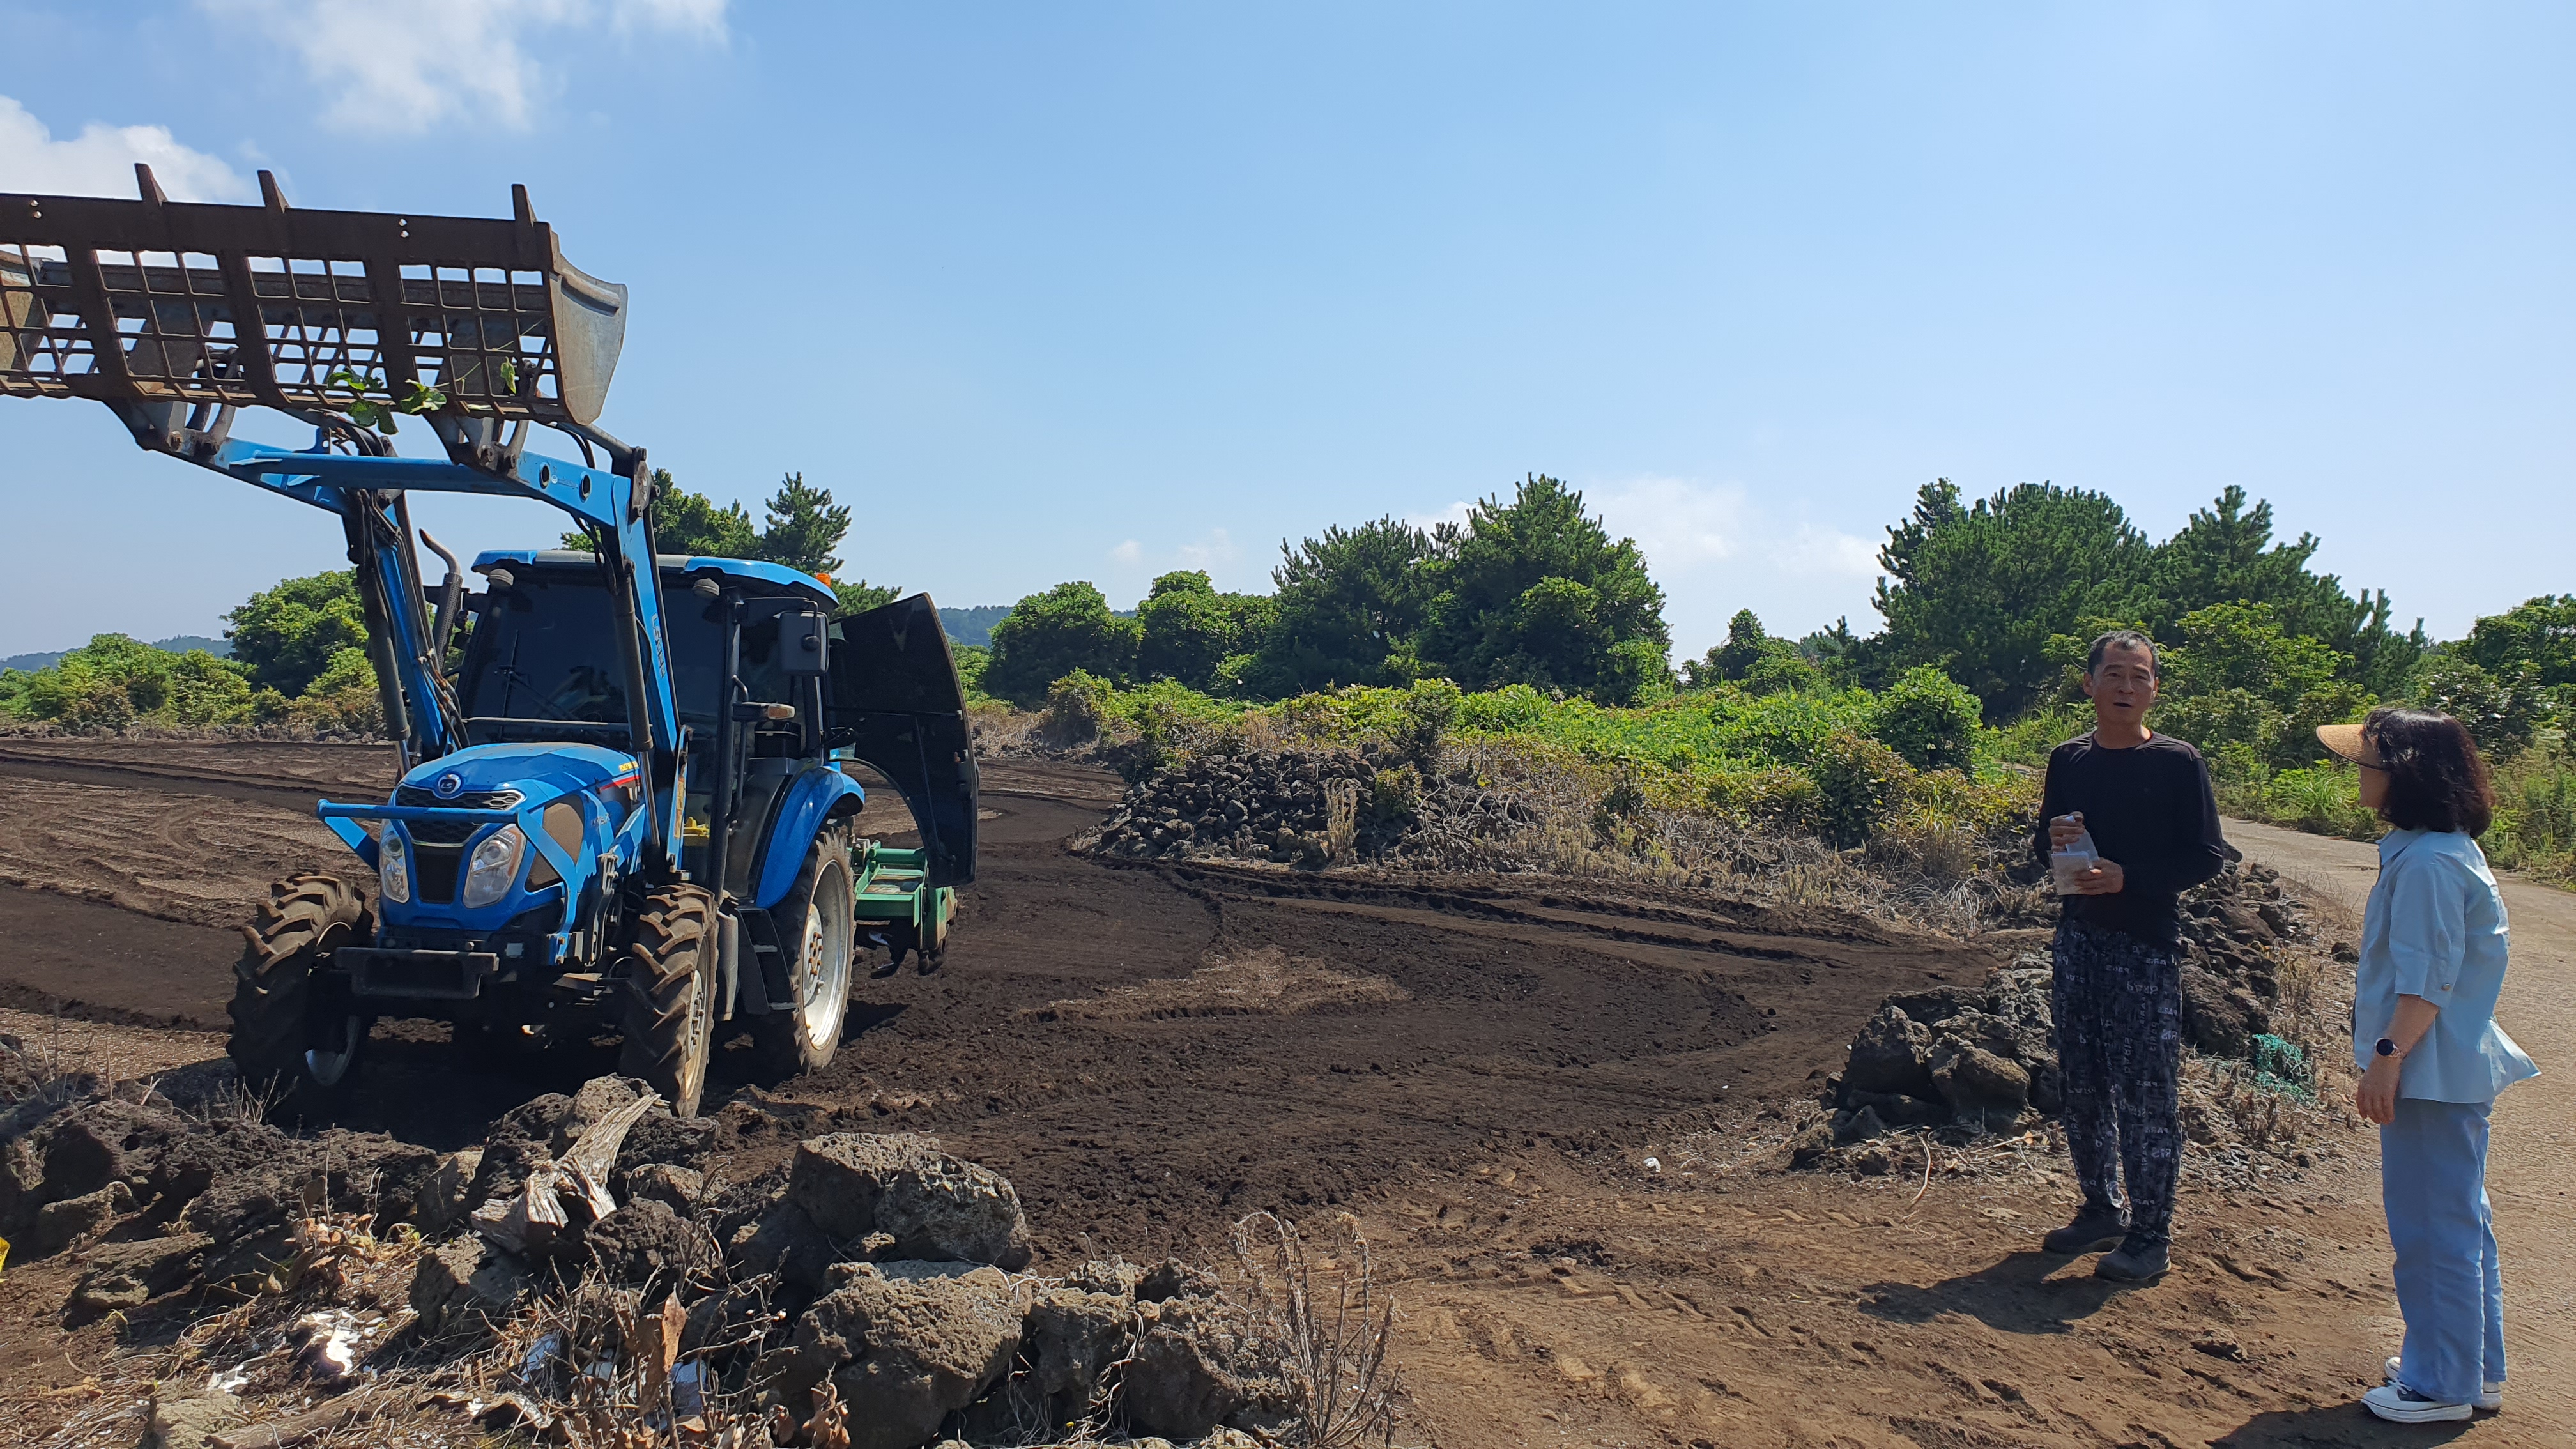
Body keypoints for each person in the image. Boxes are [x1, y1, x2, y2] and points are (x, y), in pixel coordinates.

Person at [2318, 709, 2538, 1424]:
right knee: (2458, 1222)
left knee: (2430, 1229)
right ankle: (2471, 1369)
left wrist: (2385, 1061)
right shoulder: (2433, 848)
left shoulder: (2430, 865)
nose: (2360, 770)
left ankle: (2439, 1383)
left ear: (2406, 772)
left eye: (2371, 759)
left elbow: (2425, 981)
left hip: (2429, 1072)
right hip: (2445, 1068)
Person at [2031, 630, 2228, 1281]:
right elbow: (2044, 847)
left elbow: (2204, 856)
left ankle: (2152, 1235)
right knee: (2082, 1083)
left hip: (2144, 946)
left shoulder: (2178, 762)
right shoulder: (2069, 761)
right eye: (2113, 675)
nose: (2125, 688)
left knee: (2147, 1093)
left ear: (2154, 689)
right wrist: (2059, 843)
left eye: (2138, 677)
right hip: (2077, 939)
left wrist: (2130, 877)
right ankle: (2100, 1207)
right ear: (2087, 684)